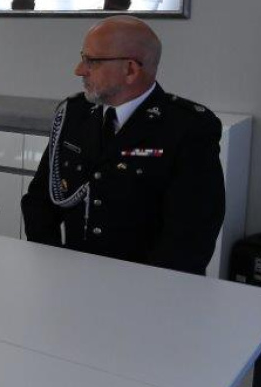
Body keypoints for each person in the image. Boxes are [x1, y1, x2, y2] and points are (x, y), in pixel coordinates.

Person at [21, 16, 224, 274]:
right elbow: (40, 201)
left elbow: (190, 237)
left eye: (92, 61)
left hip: (146, 285)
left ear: (130, 70)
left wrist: (139, 289)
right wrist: (53, 263)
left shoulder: (186, 128)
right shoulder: (75, 114)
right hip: (71, 276)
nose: (79, 70)